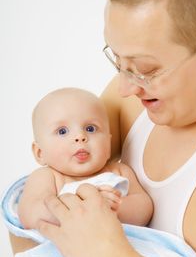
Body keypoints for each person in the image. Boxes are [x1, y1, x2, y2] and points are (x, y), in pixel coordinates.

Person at [9, 0, 196, 257]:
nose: (126, 88)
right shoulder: (131, 100)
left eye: (145, 70)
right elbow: (46, 185)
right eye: (118, 63)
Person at [17, 87, 153, 230]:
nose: (80, 136)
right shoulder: (47, 177)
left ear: (108, 143)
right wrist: (78, 209)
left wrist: (116, 208)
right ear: (40, 153)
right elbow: (30, 213)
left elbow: (145, 208)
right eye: (62, 131)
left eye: (90, 129)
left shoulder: (119, 171)